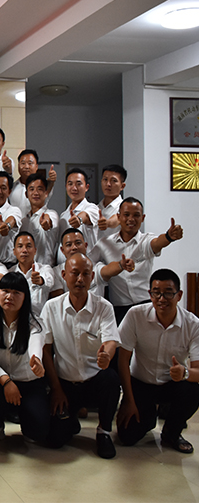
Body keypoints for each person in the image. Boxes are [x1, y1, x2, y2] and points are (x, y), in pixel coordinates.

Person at [41, 254, 120, 459]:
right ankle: (71, 420)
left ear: (92, 277)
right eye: (74, 273)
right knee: (54, 439)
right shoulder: (51, 307)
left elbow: (111, 341)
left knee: (111, 378)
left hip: (95, 381)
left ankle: (104, 431)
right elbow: (45, 350)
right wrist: (56, 388)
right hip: (66, 385)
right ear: (64, 275)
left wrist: (107, 355)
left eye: (85, 274)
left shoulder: (104, 307)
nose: (80, 279)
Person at [117, 269, 199, 454]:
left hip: (172, 384)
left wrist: (184, 372)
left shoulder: (193, 325)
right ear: (150, 294)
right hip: (141, 383)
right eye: (156, 293)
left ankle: (172, 432)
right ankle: (149, 416)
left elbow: (197, 372)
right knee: (127, 437)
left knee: (193, 391)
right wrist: (128, 400)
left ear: (179, 295)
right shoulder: (135, 315)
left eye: (168, 293)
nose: (162, 299)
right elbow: (123, 360)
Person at [89, 197, 183, 324]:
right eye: (126, 215)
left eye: (136, 215)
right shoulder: (104, 244)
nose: (131, 219)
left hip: (146, 305)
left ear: (143, 218)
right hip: (119, 309)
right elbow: (88, 264)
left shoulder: (146, 240)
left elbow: (157, 243)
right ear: (119, 217)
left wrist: (168, 237)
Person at [0, 272, 48, 447]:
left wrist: (36, 361)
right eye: (5, 291)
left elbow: (35, 345)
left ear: (25, 297)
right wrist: (7, 382)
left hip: (29, 384)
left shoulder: (35, 323)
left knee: (38, 434)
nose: (9, 296)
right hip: (1, 383)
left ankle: (25, 419)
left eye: (16, 292)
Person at [19, 172, 60, 266]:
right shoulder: (24, 220)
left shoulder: (52, 214)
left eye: (40, 189)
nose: (36, 193)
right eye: (31, 189)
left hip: (45, 268)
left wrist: (46, 223)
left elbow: (49, 221)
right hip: (25, 269)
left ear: (46, 193)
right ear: (26, 194)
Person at [58, 168, 100, 260]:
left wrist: (79, 219)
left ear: (87, 187)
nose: (74, 188)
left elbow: (85, 216)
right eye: (70, 184)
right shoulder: (63, 216)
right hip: (66, 266)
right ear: (66, 186)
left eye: (79, 184)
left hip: (87, 264)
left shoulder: (92, 208)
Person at [11, 231, 54, 316]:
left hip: (39, 318)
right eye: (20, 246)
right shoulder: (10, 273)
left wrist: (40, 280)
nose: (24, 250)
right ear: (14, 251)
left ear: (35, 250)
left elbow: (50, 281)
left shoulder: (45, 269)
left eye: (29, 246)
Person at [0, 171, 22, 266]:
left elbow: (12, 219)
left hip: (7, 265)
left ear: (9, 192)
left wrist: (7, 226)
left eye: (3, 188)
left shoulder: (14, 210)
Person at [10, 149, 56, 216]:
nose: (26, 167)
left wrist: (52, 180)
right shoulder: (12, 187)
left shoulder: (43, 186)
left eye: (30, 163)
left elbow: (49, 186)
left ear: (36, 166)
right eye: (23, 163)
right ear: (18, 165)